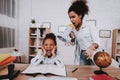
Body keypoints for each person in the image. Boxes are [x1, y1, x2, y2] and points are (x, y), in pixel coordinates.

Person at [68, 0, 100, 65]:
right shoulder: (73, 29)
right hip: (82, 54)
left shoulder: (89, 26)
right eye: (70, 17)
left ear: (80, 15)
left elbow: (97, 42)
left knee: (94, 73)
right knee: (82, 73)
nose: (71, 20)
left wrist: (91, 48)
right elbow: (73, 44)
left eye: (73, 17)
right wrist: (72, 38)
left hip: (92, 53)